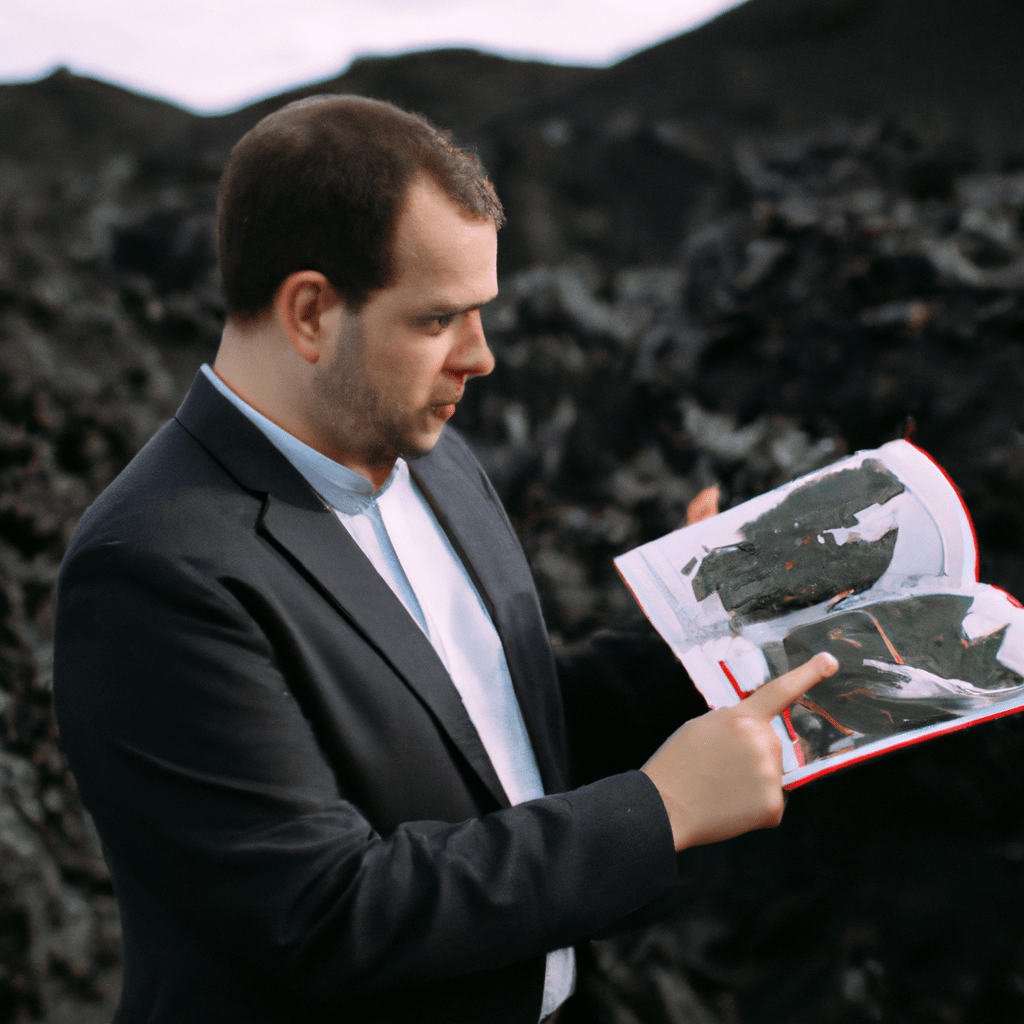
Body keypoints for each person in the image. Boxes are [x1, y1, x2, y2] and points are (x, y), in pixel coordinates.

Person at [52, 95, 837, 1024]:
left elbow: (499, 739)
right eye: (438, 320)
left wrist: (705, 643)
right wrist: (659, 811)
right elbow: (327, 913)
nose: (483, 357)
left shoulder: (436, 461)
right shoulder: (150, 571)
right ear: (310, 312)